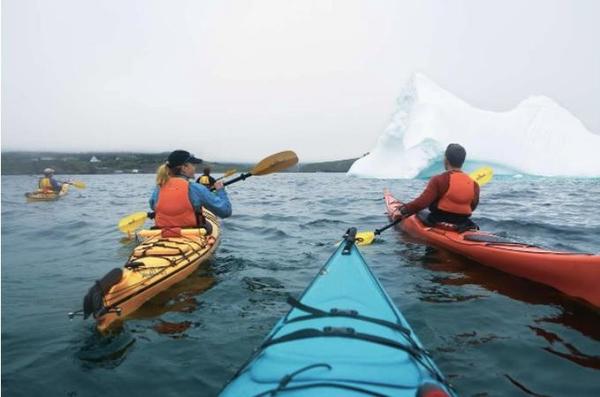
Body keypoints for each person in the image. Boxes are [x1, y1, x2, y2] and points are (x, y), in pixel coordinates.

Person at [394, 143, 480, 228]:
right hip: (462, 222)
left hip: (438, 220)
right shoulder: (474, 184)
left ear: (446, 159)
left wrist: (403, 210)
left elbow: (422, 203)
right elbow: (472, 207)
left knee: (419, 212)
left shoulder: (439, 179)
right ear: (462, 161)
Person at [149, 150, 232, 234]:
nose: (194, 168)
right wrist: (220, 191)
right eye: (192, 165)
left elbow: (153, 206)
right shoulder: (196, 188)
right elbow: (225, 211)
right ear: (184, 167)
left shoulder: (158, 188)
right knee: (209, 226)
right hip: (191, 232)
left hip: (162, 232)